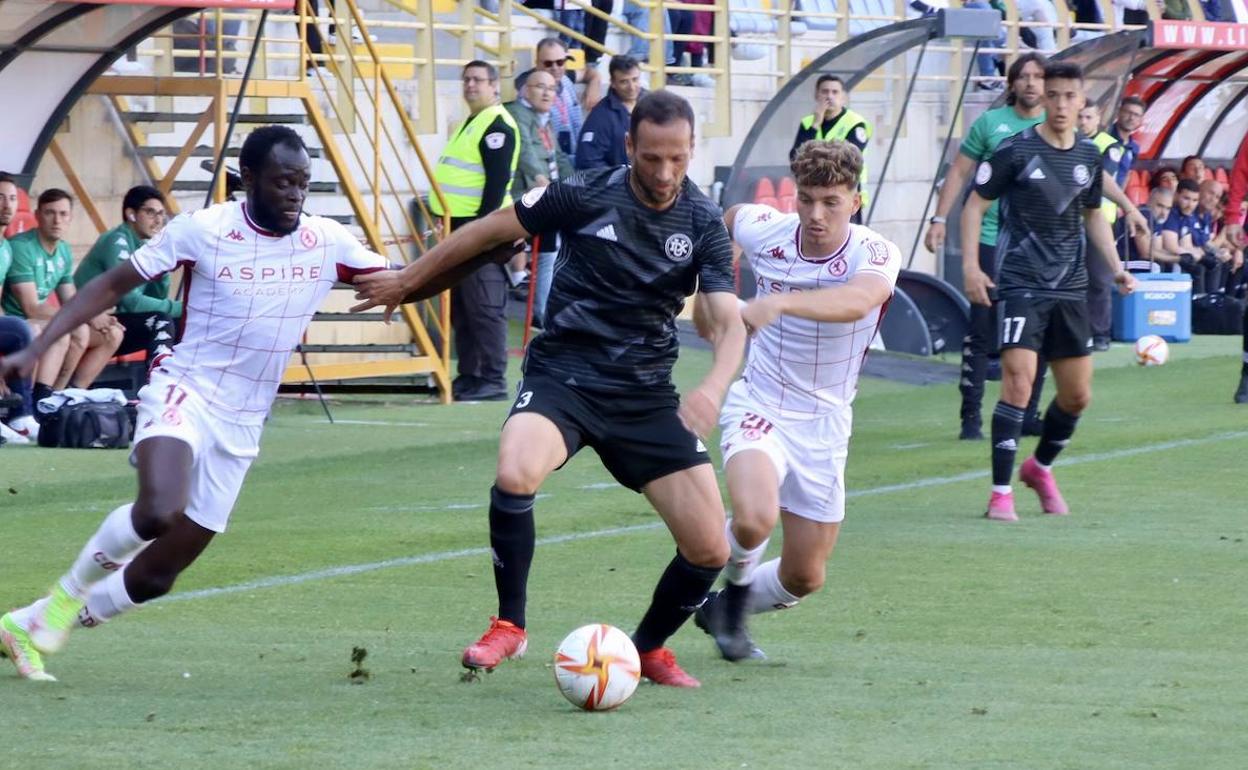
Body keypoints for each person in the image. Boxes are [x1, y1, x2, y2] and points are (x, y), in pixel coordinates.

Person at [351, 91, 746, 688]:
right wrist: (408, 280)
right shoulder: (581, 192)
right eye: (653, 158)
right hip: (564, 375)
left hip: (643, 394)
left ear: (691, 152)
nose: (665, 174)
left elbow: (726, 318)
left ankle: (646, 650)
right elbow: (485, 232)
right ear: (630, 146)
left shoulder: (702, 221)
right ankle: (510, 625)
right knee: (515, 472)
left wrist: (714, 385)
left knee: (710, 549)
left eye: (678, 160)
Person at [0, 126, 398, 682]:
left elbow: (401, 281)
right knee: (159, 509)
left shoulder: (326, 240)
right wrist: (41, 344)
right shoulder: (204, 229)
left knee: (157, 576)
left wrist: (475, 253)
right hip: (185, 388)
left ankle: (29, 624)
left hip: (244, 417)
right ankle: (65, 599)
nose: (295, 195)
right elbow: (112, 284)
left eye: (304, 184)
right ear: (249, 179)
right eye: (284, 182)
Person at [692, 140, 899, 662]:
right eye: (805, 199)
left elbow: (859, 301)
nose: (815, 214)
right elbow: (730, 218)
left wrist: (779, 301)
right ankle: (731, 603)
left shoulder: (874, 252)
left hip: (826, 422)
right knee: (755, 516)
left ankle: (718, 608)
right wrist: (714, 279)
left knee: (805, 576)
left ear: (856, 199)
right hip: (760, 403)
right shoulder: (770, 230)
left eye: (831, 201)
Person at [961, 61, 1136, 522]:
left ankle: (1039, 468)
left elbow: (1093, 215)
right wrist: (971, 267)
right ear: (1043, 99)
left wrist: (1117, 269)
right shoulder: (1014, 151)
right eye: (1052, 96)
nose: (1059, 104)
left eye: (1068, 97)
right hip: (1020, 283)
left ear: (1083, 103)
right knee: (1018, 384)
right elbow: (975, 206)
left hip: (1071, 289)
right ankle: (1000, 493)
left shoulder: (1087, 157)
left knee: (1077, 396)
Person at [925, 53, 1047, 441]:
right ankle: (971, 417)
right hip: (993, 239)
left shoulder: (1056, 126)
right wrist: (939, 219)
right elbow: (959, 171)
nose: (1030, 83)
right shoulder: (991, 124)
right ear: (1011, 84)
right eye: (1023, 76)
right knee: (982, 330)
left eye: (1037, 76)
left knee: (1038, 332)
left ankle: (1028, 412)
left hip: (1038, 247)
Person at [430, 60, 520, 402]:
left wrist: (482, 232)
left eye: (478, 80)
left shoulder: (497, 124)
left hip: (480, 228)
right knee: (464, 309)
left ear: (494, 85)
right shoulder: (471, 121)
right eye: (466, 79)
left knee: (484, 305)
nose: (470, 85)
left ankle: (493, 378)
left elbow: (495, 186)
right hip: (459, 227)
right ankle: (470, 374)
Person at [3, 189, 123, 398]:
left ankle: (66, 395)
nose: (57, 220)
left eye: (63, 214)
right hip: (22, 320)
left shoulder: (64, 251)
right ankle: (40, 398)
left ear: (70, 218)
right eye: (50, 213)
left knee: (113, 334)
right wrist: (85, 316)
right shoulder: (22, 246)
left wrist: (95, 315)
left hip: (41, 320)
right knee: (72, 330)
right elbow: (31, 307)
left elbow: (72, 298)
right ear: (37, 215)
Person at [74, 186, 179, 367]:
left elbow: (156, 299)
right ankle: (156, 384)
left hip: (115, 321)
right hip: (89, 320)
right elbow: (130, 301)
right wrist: (185, 307)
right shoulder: (117, 240)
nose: (158, 220)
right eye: (151, 213)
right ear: (131, 214)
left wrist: (163, 271)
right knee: (161, 320)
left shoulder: (145, 246)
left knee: (181, 321)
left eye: (161, 214)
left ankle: (178, 384)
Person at [505, 69, 572, 326]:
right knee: (549, 249)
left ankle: (542, 310)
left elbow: (558, 158)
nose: (547, 93)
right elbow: (525, 154)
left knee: (551, 251)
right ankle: (542, 313)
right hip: (524, 195)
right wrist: (543, 183)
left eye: (552, 88)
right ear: (524, 89)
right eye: (540, 87)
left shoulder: (544, 118)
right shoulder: (516, 115)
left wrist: (579, 183)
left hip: (544, 194)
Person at [789, 75, 872, 224]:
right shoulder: (808, 122)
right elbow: (795, 157)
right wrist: (815, 124)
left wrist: (812, 159)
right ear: (816, 95)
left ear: (843, 97)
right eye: (825, 92)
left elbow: (848, 160)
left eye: (835, 92)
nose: (829, 96)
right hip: (814, 196)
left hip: (843, 196)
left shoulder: (855, 123)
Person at [1077, 103, 1126, 351]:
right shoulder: (1067, 141)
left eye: (1088, 117)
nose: (1083, 121)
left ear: (1099, 118)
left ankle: (1100, 334)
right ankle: (1077, 332)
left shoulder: (1109, 145)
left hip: (1101, 221)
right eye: (1080, 116)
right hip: (1071, 221)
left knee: (1099, 279)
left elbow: (1100, 176)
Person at [0, 172, 37, 443]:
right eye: (0, 198)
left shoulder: (5, 248)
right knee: (19, 328)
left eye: (12, 198)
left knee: (19, 329)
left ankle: (22, 416)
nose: (7, 204)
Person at [576, 54, 644, 171]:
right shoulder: (601, 117)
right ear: (612, 82)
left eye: (635, 79)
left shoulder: (653, 104)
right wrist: (618, 181)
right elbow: (588, 161)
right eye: (624, 82)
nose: (632, 87)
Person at [1108, 96, 1144, 188]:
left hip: (1112, 200)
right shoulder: (1105, 136)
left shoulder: (1134, 148)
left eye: (1136, 115)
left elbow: (1127, 175)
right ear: (1119, 112)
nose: (1131, 118)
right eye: (1128, 112)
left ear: (1140, 120)